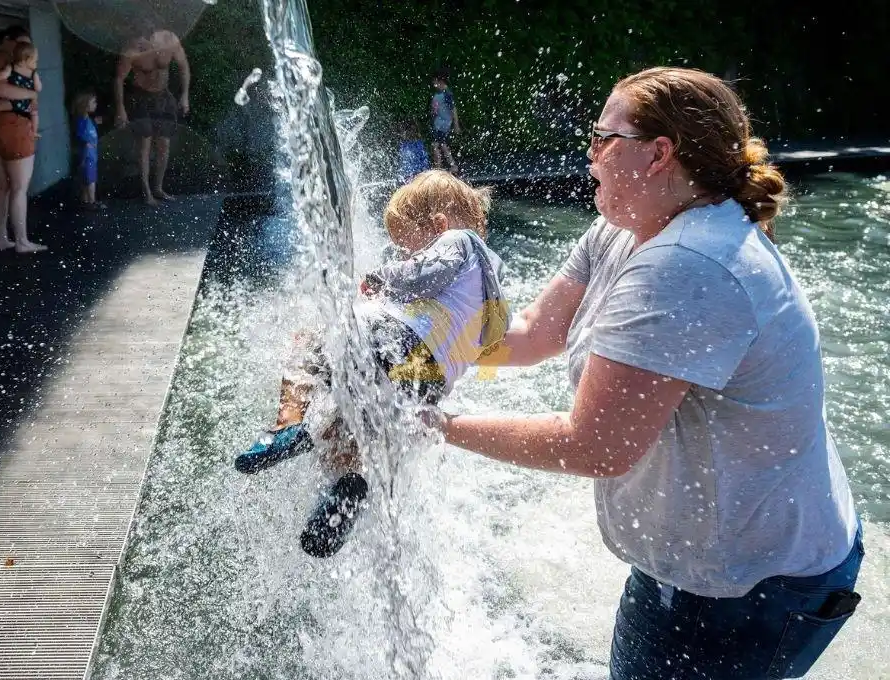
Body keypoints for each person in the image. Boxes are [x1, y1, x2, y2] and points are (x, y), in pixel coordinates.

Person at [429, 67, 862, 679]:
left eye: (603, 137)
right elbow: (531, 330)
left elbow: (594, 445)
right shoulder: (622, 227)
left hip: (755, 588)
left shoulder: (689, 265)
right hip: (701, 565)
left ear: (659, 154)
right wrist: (413, 337)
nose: (589, 154)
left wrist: (433, 424)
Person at [234, 171, 511, 559]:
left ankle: (287, 425)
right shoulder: (492, 290)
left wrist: (382, 278)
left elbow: (429, 271)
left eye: (409, 248)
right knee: (349, 427)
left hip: (395, 343)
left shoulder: (458, 241)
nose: (405, 257)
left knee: (308, 342)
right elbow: (487, 347)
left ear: (439, 225)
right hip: (426, 383)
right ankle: (348, 484)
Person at [0, 26, 47, 254]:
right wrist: (31, 94)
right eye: (20, 45)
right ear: (7, 40)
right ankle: (22, 241)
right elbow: (0, 88)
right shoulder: (2, 58)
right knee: (18, 187)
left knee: (1, 185)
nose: (22, 51)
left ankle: (1, 239)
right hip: (12, 125)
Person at [114, 25, 191, 206]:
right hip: (141, 99)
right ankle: (146, 191)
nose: (147, 44)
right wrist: (120, 108)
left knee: (164, 144)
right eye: (144, 41)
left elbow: (184, 66)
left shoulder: (170, 40)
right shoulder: (132, 49)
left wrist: (185, 95)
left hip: (164, 97)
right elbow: (118, 79)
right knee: (145, 146)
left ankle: (158, 187)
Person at [0, 42, 42, 138]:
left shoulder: (11, 67)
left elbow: (1, 76)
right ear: (25, 61)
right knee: (35, 114)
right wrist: (35, 88)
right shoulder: (33, 74)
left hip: (13, 102)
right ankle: (34, 131)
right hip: (27, 104)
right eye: (35, 61)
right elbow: (38, 88)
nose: (36, 64)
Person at [71, 91, 104, 211]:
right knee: (91, 180)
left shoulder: (87, 120)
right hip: (87, 156)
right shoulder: (82, 121)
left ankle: (85, 200)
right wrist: (86, 147)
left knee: (87, 179)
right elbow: (82, 137)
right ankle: (92, 202)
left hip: (91, 155)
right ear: (85, 105)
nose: (95, 104)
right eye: (93, 102)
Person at [430, 68, 461, 175]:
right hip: (438, 124)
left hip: (443, 125)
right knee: (442, 145)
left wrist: (456, 124)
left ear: (440, 81)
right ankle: (451, 166)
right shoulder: (440, 93)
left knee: (436, 145)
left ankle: (439, 168)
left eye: (435, 81)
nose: (433, 83)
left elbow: (453, 109)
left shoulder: (447, 94)